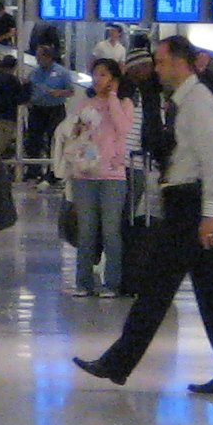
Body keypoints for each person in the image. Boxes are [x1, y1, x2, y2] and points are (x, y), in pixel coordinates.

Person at [74, 34, 213, 395]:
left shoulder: (199, 104)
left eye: (161, 62)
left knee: (157, 288)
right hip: (185, 204)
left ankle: (118, 362)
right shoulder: (181, 102)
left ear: (181, 63)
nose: (157, 68)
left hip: (191, 207)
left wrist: (209, 216)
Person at [57, 53, 134, 296]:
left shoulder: (124, 103)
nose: (97, 79)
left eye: (103, 75)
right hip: (84, 173)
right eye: (95, 74)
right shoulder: (84, 104)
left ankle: (112, 282)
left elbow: (123, 128)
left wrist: (112, 96)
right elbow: (73, 132)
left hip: (113, 174)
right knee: (86, 228)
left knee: (111, 230)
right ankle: (83, 281)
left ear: (114, 78)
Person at [22, 34, 75, 180]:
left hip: (55, 109)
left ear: (48, 57)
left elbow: (71, 91)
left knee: (55, 140)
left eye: (40, 56)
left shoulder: (62, 72)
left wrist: (59, 92)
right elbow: (29, 87)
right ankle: (33, 169)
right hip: (38, 109)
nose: (38, 59)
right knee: (33, 140)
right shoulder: (35, 72)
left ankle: (54, 172)